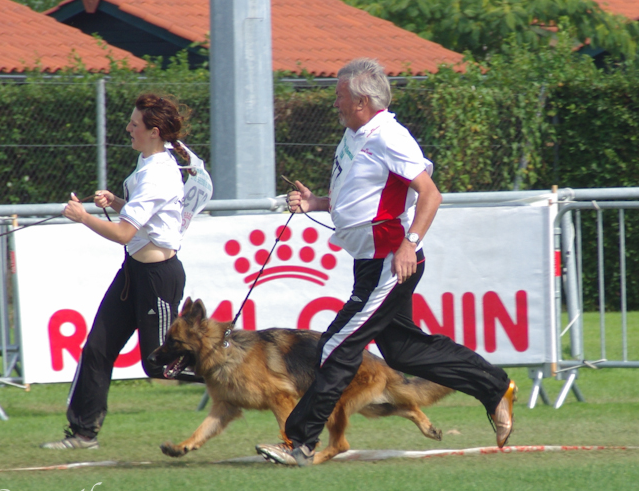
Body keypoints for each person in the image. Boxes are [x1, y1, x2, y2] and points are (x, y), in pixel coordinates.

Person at [256, 59, 516, 466]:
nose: (335, 102)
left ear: (361, 100)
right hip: (369, 262)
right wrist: (317, 204)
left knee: (336, 346)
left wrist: (410, 244)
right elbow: (359, 199)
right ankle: (495, 387)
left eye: (340, 95)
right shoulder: (353, 134)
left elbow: (430, 195)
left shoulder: (390, 137)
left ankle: (299, 443)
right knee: (403, 352)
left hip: (392, 263)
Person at [42, 94, 202, 450]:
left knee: (158, 364)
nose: (128, 128)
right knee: (97, 348)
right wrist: (115, 203)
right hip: (133, 272)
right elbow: (142, 220)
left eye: (134, 124)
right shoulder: (147, 165)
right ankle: (83, 434)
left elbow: (124, 233)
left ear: (153, 131)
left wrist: (84, 217)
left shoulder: (159, 173)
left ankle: (238, 372)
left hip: (158, 277)